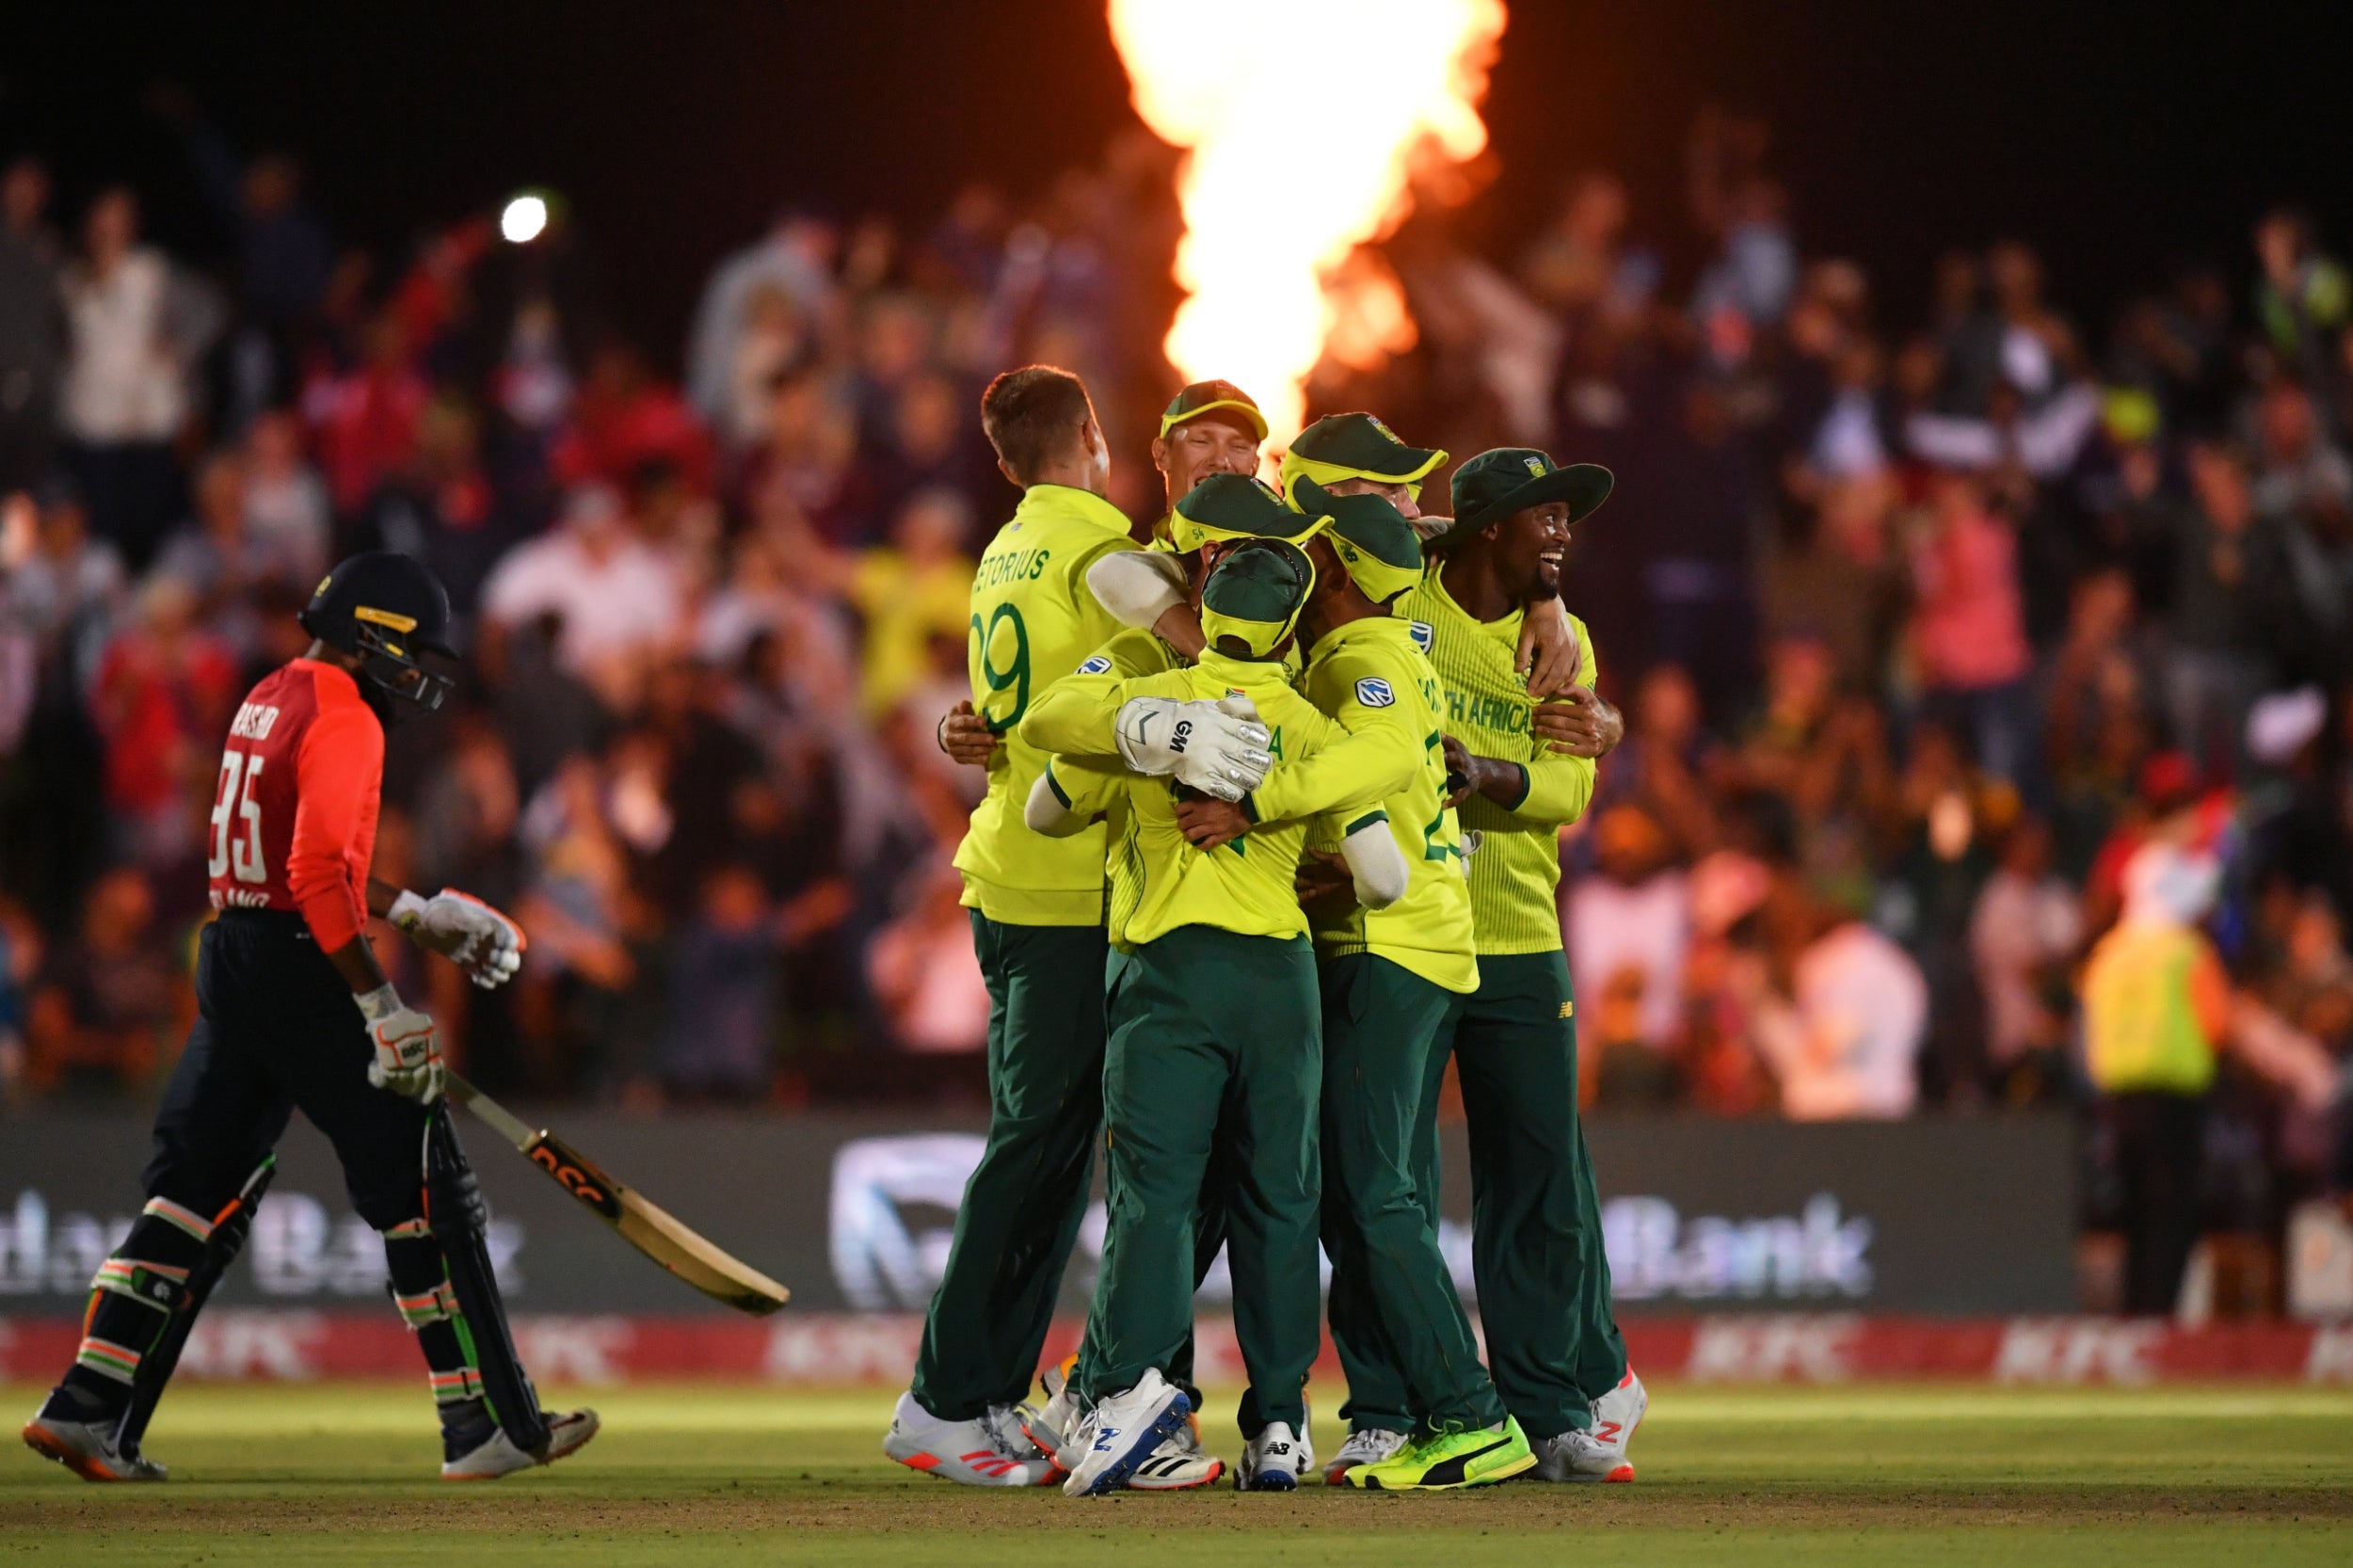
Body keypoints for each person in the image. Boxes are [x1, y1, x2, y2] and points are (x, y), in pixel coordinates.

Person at [20, 553, 595, 1484]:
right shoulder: (344, 714)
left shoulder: (272, 691)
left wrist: (417, 911)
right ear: (371, 633)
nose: (418, 673)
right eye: (410, 650)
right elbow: (317, 876)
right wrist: (380, 1000)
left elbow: (292, 861)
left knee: (195, 1193)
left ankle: (89, 1404)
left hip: (236, 955)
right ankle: (486, 1423)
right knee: (425, 1185)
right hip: (298, 965)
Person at [879, 367, 1271, 1488]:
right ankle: (946, 1399)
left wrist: (984, 725)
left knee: (1055, 1150)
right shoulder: (1101, 546)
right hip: (1059, 881)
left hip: (1028, 866)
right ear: (1097, 441)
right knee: (1037, 1144)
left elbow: (1017, 701)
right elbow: (1193, 638)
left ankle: (1007, 1394)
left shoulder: (1007, 549)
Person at [1177, 474, 1541, 1491]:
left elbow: (1374, 759)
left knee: (1375, 1193)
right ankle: (1435, 1410)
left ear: (1335, 569)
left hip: (1393, 950)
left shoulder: (1365, 659)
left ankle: (1468, 1415)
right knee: (1377, 1190)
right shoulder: (1374, 649)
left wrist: (1257, 804)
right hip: (1409, 942)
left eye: (1317, 554)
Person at [1018, 525, 1387, 1496]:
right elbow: (1383, 873)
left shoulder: (1144, 705)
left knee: (1155, 1201)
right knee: (1279, 1200)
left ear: (1205, 611)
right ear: (1285, 629)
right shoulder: (1311, 722)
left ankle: (1128, 1396)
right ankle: (1278, 1423)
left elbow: (1042, 809)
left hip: (1165, 974)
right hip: (1280, 980)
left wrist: (1140, 741)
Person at [1401, 447, 1646, 1483]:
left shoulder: (1568, 636)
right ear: (1487, 526)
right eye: (1540, 515)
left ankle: (1549, 1407)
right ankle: (1401, 1407)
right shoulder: (1406, 596)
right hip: (1406, 929)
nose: (1560, 532)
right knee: (1394, 1181)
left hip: (1516, 932)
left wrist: (1481, 772)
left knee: (1535, 1182)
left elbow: (1566, 793)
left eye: (1567, 519)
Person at [2080, 841, 2230, 1316]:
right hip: (2176, 1100)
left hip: (2119, 1100)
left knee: (2135, 1215)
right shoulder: (2185, 951)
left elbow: (2089, 1029)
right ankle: (2161, 1315)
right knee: (2173, 1212)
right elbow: (2217, 1022)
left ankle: (2134, 1312)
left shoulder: (2107, 954)